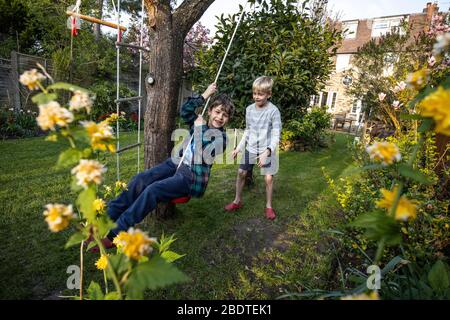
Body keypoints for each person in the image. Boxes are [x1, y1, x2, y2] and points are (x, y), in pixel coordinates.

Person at [91, 83, 234, 250]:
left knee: (154, 190)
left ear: (228, 120)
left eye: (225, 115)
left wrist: (200, 127)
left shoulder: (222, 138)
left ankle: (114, 235)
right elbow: (185, 110)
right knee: (140, 180)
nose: (220, 117)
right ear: (209, 111)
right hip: (175, 163)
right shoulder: (199, 120)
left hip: (191, 176)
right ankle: (104, 220)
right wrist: (204, 96)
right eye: (217, 112)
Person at [224, 76, 281, 220]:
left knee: (268, 178)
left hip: (267, 148)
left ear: (269, 94)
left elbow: (276, 134)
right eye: (255, 93)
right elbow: (248, 131)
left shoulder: (273, 111)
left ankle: (269, 206)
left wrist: (267, 151)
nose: (256, 97)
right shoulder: (249, 109)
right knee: (241, 172)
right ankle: (237, 201)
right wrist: (239, 148)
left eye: (260, 94)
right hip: (251, 148)